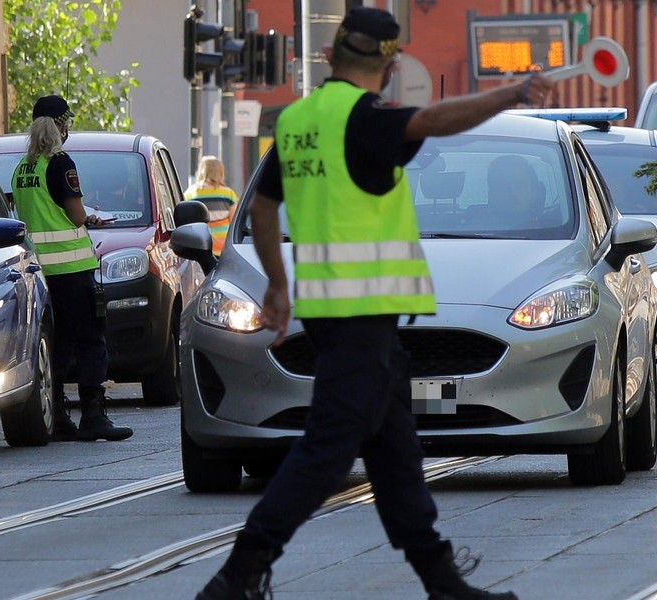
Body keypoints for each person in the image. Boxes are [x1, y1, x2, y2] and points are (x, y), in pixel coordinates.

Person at [195, 7, 554, 600]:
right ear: (388, 68)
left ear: (331, 55)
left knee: (395, 458)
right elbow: (436, 120)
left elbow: (261, 207)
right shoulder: (364, 122)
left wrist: (278, 288)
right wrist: (512, 92)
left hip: (340, 321)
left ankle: (442, 581)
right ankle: (238, 574)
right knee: (326, 455)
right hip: (362, 323)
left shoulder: (299, 121)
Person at [10, 95, 133, 443]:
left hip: (41, 273)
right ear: (60, 126)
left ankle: (59, 415)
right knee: (92, 340)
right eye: (67, 123)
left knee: (58, 343)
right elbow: (76, 215)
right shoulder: (60, 163)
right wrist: (89, 217)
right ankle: (93, 415)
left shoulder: (24, 168)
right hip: (73, 268)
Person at [184, 156, 239, 255]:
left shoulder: (191, 193)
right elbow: (234, 222)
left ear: (201, 171)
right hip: (223, 248)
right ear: (221, 172)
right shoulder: (228, 193)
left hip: (199, 245)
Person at [484, 155, 546, 227]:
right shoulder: (474, 229)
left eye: (520, 186)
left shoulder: (552, 233)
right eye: (504, 187)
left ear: (533, 195)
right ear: (491, 195)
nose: (512, 192)